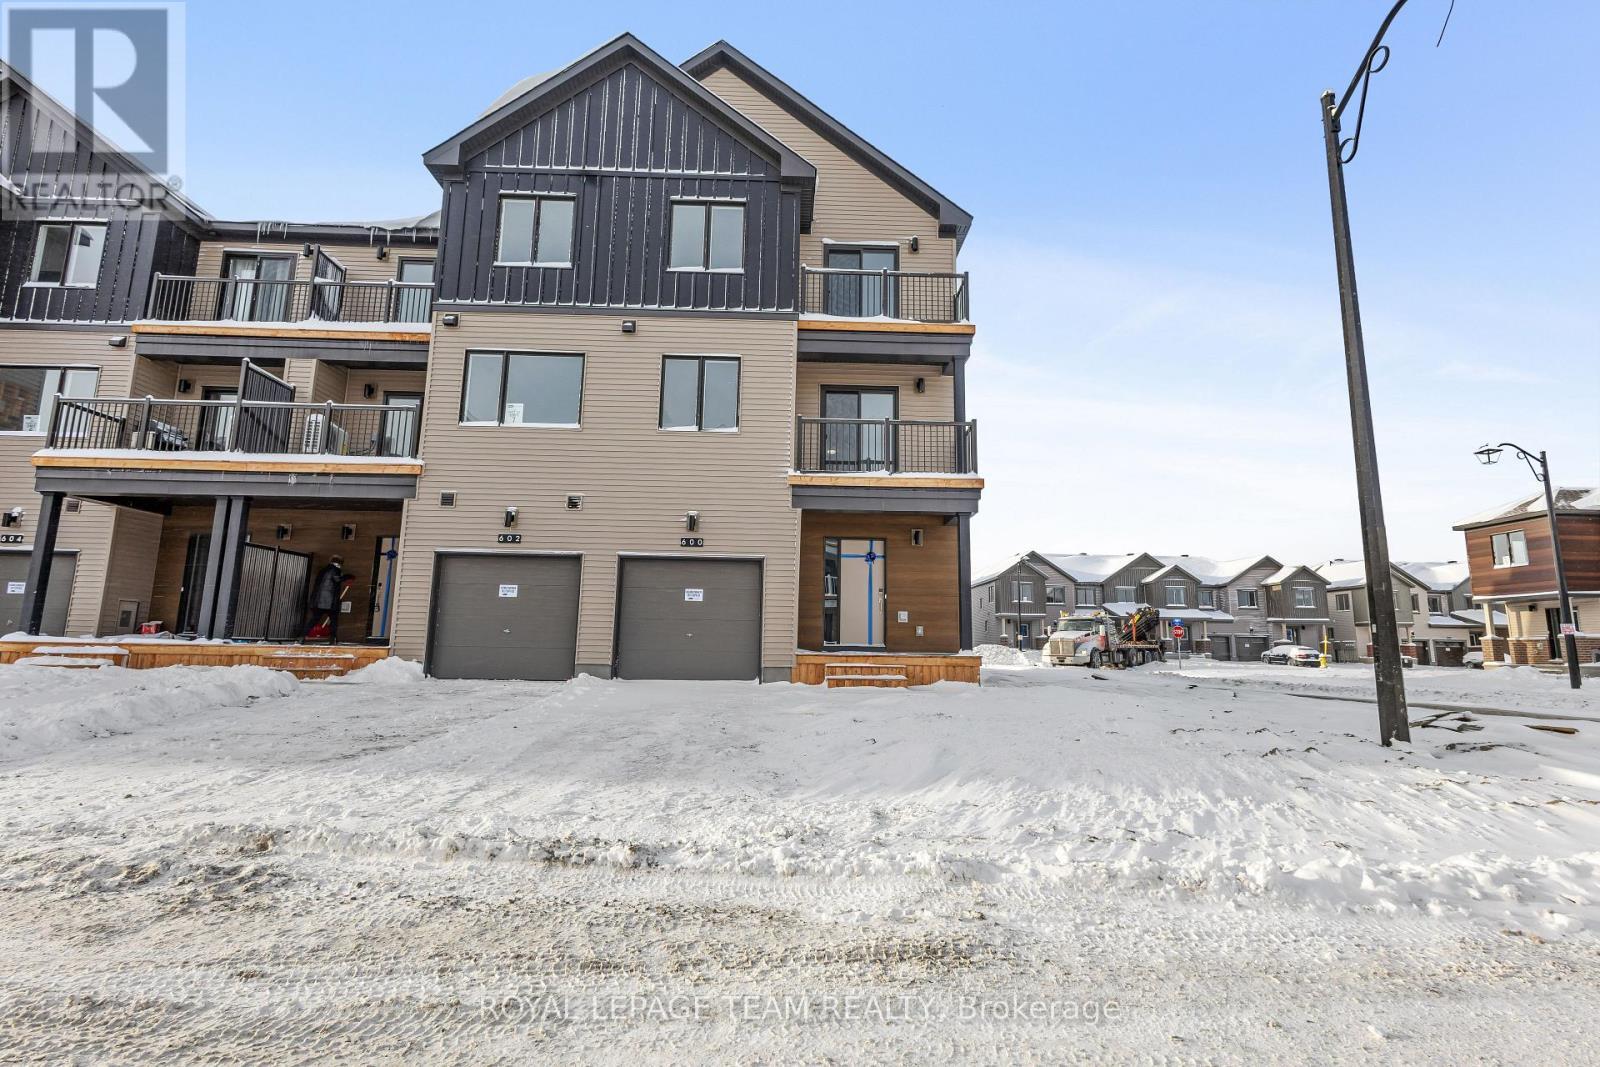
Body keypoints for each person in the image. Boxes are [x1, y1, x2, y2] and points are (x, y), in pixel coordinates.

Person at [309, 555, 345, 643]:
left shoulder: (322, 570)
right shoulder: (336, 570)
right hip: (330, 602)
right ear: (339, 563)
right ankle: (333, 639)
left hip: (317, 601)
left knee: (314, 619)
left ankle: (301, 636)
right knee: (333, 621)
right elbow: (336, 580)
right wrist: (347, 577)